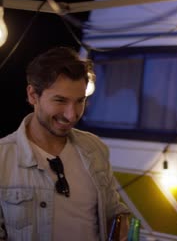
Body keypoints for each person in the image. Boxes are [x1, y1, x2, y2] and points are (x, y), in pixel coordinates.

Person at [0, 47, 130, 240]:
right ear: (33, 95)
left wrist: (123, 224)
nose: (71, 115)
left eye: (80, 101)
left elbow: (114, 214)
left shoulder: (95, 148)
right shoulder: (3, 158)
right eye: (60, 100)